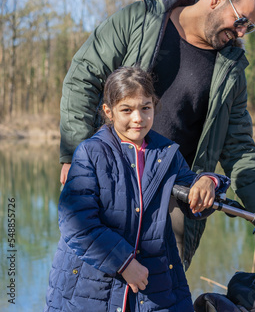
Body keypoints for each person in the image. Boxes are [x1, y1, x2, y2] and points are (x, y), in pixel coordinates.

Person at [59, 0, 255, 270]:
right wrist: (74, 155)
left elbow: (239, 146)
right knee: (94, 284)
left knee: (163, 294)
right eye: (240, 20)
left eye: (248, 26)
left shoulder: (232, 69)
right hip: (110, 183)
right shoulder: (139, 21)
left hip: (177, 199)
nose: (241, 31)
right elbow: (82, 79)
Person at [45, 66, 230, 312]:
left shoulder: (166, 152)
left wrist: (209, 182)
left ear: (154, 105)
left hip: (156, 284)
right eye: (127, 110)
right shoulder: (90, 153)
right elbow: (76, 223)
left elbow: (193, 191)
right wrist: (123, 263)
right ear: (108, 112)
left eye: (145, 107)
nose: (138, 118)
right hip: (91, 287)